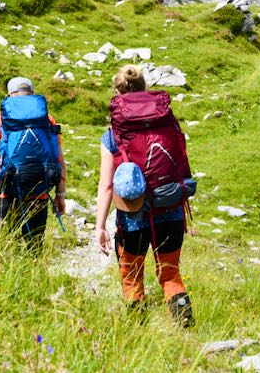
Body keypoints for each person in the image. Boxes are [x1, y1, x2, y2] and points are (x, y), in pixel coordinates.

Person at [95, 65, 195, 327]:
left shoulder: (113, 134)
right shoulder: (169, 124)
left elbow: (106, 185)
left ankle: (137, 331)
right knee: (171, 275)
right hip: (170, 209)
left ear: (118, 93)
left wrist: (99, 226)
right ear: (145, 90)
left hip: (131, 218)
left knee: (132, 277)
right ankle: (187, 330)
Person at [0, 77, 66, 250]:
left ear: (10, 94)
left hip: (8, 193)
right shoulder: (47, 119)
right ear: (31, 94)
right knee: (34, 249)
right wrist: (60, 195)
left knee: (4, 248)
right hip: (39, 193)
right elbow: (59, 160)